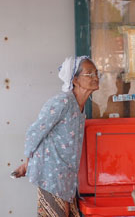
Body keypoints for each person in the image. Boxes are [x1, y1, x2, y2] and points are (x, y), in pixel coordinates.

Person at [12, 56, 100, 217]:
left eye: (96, 72)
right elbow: (35, 131)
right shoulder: (62, 102)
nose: (96, 77)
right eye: (89, 73)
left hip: (66, 177)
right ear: (74, 79)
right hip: (50, 175)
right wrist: (27, 162)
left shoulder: (80, 107)